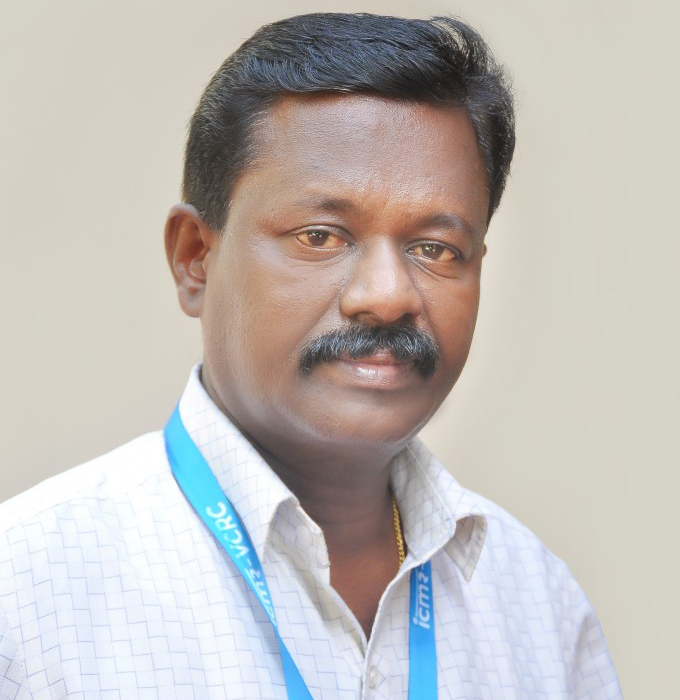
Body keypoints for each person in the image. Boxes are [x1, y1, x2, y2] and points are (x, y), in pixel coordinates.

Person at [0, 12, 622, 700]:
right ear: (195, 259)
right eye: (321, 236)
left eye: (435, 249)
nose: (387, 296)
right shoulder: (26, 596)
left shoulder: (539, 606)